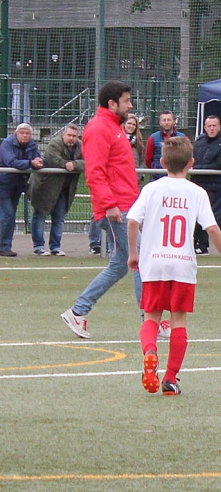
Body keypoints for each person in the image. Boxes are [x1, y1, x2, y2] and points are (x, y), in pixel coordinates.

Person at [128, 136, 221, 396]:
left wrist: (133, 254)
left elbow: (132, 221)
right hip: (183, 265)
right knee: (178, 319)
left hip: (154, 263)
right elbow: (212, 228)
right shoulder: (197, 192)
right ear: (192, 163)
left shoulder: (151, 189)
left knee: (152, 316)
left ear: (162, 162)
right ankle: (170, 379)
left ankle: (150, 351)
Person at [61, 81, 143, 339]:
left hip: (124, 206)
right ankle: (151, 320)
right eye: (126, 101)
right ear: (112, 103)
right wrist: (109, 205)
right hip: (117, 208)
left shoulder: (113, 127)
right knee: (140, 259)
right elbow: (95, 172)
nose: (130, 105)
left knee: (120, 265)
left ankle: (78, 311)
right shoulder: (99, 128)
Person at [28, 124, 84, 256]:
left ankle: (55, 247)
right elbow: (53, 159)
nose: (71, 138)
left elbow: (88, 162)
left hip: (65, 188)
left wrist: (74, 164)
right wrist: (66, 164)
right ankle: (38, 246)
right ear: (63, 134)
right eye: (69, 135)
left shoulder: (81, 146)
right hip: (46, 186)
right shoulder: (54, 143)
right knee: (40, 214)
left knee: (59, 217)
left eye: (74, 136)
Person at [0, 123, 44, 256]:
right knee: (7, 215)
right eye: (22, 133)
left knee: (9, 216)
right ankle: (4, 246)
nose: (25, 136)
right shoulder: (7, 144)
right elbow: (10, 162)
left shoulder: (32, 145)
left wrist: (38, 162)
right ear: (16, 133)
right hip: (3, 184)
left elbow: (37, 158)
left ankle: (5, 246)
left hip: (18, 186)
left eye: (27, 133)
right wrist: (31, 163)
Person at [191, 115, 221, 255]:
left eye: (214, 126)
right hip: (195, 182)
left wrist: (196, 168)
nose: (212, 128)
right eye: (209, 126)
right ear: (205, 127)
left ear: (219, 127)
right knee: (193, 214)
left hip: (211, 184)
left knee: (203, 214)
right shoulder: (200, 141)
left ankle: (202, 245)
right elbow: (193, 158)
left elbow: (220, 164)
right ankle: (192, 243)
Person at [144, 110, 185, 180]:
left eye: (169, 120)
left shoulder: (183, 138)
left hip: (177, 178)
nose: (166, 122)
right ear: (160, 122)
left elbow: (186, 157)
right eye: (164, 120)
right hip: (157, 178)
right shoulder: (152, 138)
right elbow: (148, 159)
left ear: (174, 121)